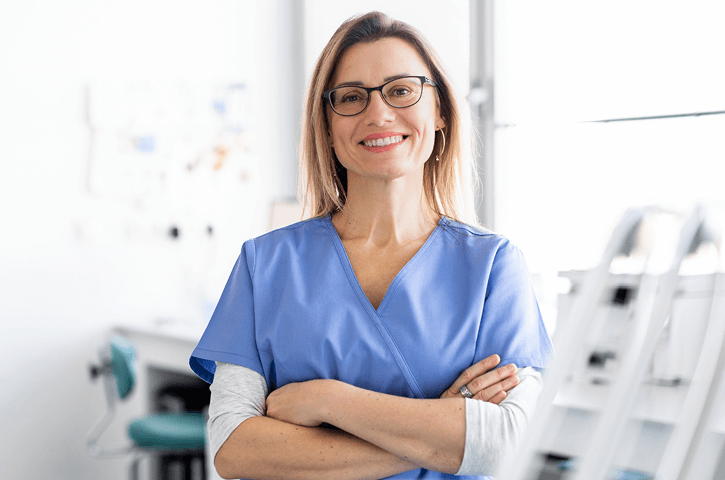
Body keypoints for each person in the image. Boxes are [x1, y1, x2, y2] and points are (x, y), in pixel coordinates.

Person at [189, 11, 553, 480]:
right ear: (328, 124)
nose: (378, 113)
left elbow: (504, 443)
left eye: (401, 90)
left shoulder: (493, 266)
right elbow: (233, 449)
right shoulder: (265, 265)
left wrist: (328, 400)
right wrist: (441, 429)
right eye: (351, 97)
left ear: (439, 110)